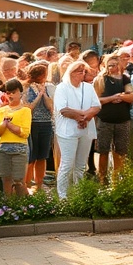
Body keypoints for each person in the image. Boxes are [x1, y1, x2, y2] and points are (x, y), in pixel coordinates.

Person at [53, 61, 99, 199]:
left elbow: (96, 106)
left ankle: (78, 194)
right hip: (68, 130)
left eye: (84, 71)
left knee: (80, 165)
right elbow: (64, 109)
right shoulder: (62, 88)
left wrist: (86, 118)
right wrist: (81, 117)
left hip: (86, 129)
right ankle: (63, 196)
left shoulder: (88, 88)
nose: (82, 73)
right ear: (71, 72)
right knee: (67, 164)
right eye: (79, 71)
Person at [93, 54, 133, 182]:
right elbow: (95, 100)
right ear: (105, 65)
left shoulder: (125, 78)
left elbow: (131, 97)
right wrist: (111, 98)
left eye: (116, 64)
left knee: (121, 151)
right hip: (105, 120)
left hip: (123, 120)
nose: (113, 67)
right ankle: (102, 179)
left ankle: (117, 180)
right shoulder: (100, 79)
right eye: (110, 65)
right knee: (103, 151)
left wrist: (120, 97)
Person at [0, 79, 31, 197]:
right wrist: (4, 125)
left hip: (19, 148)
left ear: (20, 92)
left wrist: (8, 125)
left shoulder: (26, 110)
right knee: (5, 178)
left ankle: (22, 206)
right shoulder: (1, 110)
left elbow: (24, 133)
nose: (10, 95)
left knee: (18, 180)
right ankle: (8, 204)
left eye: (13, 92)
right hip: (3, 147)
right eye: (8, 92)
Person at [21, 62, 55, 192]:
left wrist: (44, 94)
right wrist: (38, 96)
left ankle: (39, 184)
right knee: (31, 155)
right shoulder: (26, 88)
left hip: (46, 123)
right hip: (32, 123)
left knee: (42, 155)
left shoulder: (47, 87)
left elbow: (50, 107)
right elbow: (28, 108)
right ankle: (27, 183)